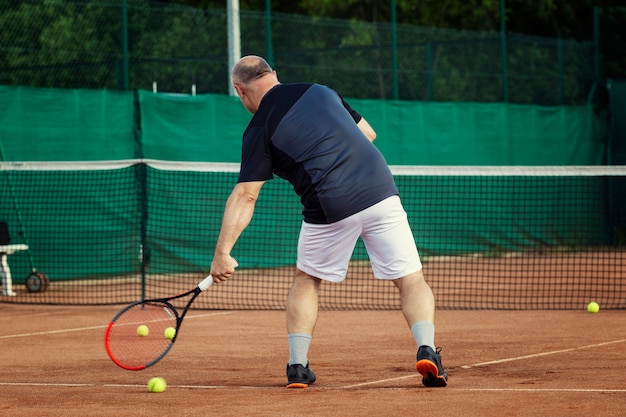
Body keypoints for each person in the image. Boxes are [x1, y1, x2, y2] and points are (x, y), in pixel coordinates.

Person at [210, 55, 448, 389]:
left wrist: (223, 252)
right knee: (411, 279)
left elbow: (246, 196)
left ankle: (297, 366)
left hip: (328, 204)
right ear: (274, 75)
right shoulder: (320, 91)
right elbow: (367, 132)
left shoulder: (258, 128)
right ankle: (426, 348)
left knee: (307, 279)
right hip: (380, 190)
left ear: (240, 90)